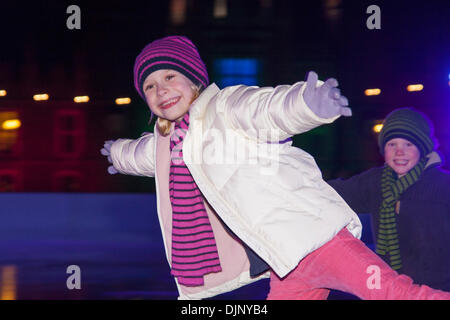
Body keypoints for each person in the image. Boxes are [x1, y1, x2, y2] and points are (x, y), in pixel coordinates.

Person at [101, 35, 450, 300]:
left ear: (194, 80)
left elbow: (267, 108)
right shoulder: (171, 142)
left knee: (393, 293)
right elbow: (144, 153)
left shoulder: (226, 108)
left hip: (319, 242)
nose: (161, 90)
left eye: (169, 77)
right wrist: (118, 153)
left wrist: (308, 104)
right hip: (283, 263)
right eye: (150, 86)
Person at [328, 107, 450, 292]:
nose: (399, 152)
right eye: (392, 144)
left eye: (408, 144)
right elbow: (333, 194)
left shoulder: (443, 185)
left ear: (423, 148)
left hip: (438, 290)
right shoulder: (375, 182)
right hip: (390, 288)